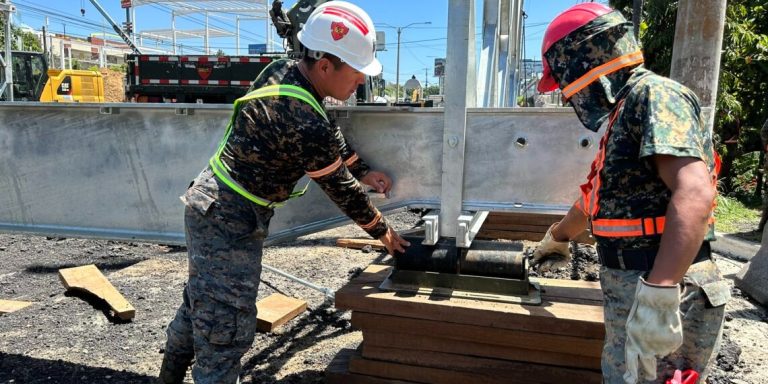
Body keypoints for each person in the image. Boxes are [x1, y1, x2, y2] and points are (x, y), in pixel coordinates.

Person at [158, 2, 410, 383]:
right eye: (357, 74)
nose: (360, 82)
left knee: (202, 305)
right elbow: (339, 187)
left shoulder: (288, 75)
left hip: (216, 205)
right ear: (326, 65)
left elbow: (328, 133)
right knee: (225, 328)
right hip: (228, 217)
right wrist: (383, 232)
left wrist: (362, 169)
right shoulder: (297, 113)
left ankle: (168, 377)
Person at [531, 4, 730, 383]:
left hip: (667, 292)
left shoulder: (654, 97)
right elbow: (597, 201)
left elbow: (694, 192)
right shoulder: (626, 111)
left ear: (581, 62)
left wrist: (660, 294)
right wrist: (556, 238)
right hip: (642, 286)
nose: (567, 95)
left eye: (563, 82)